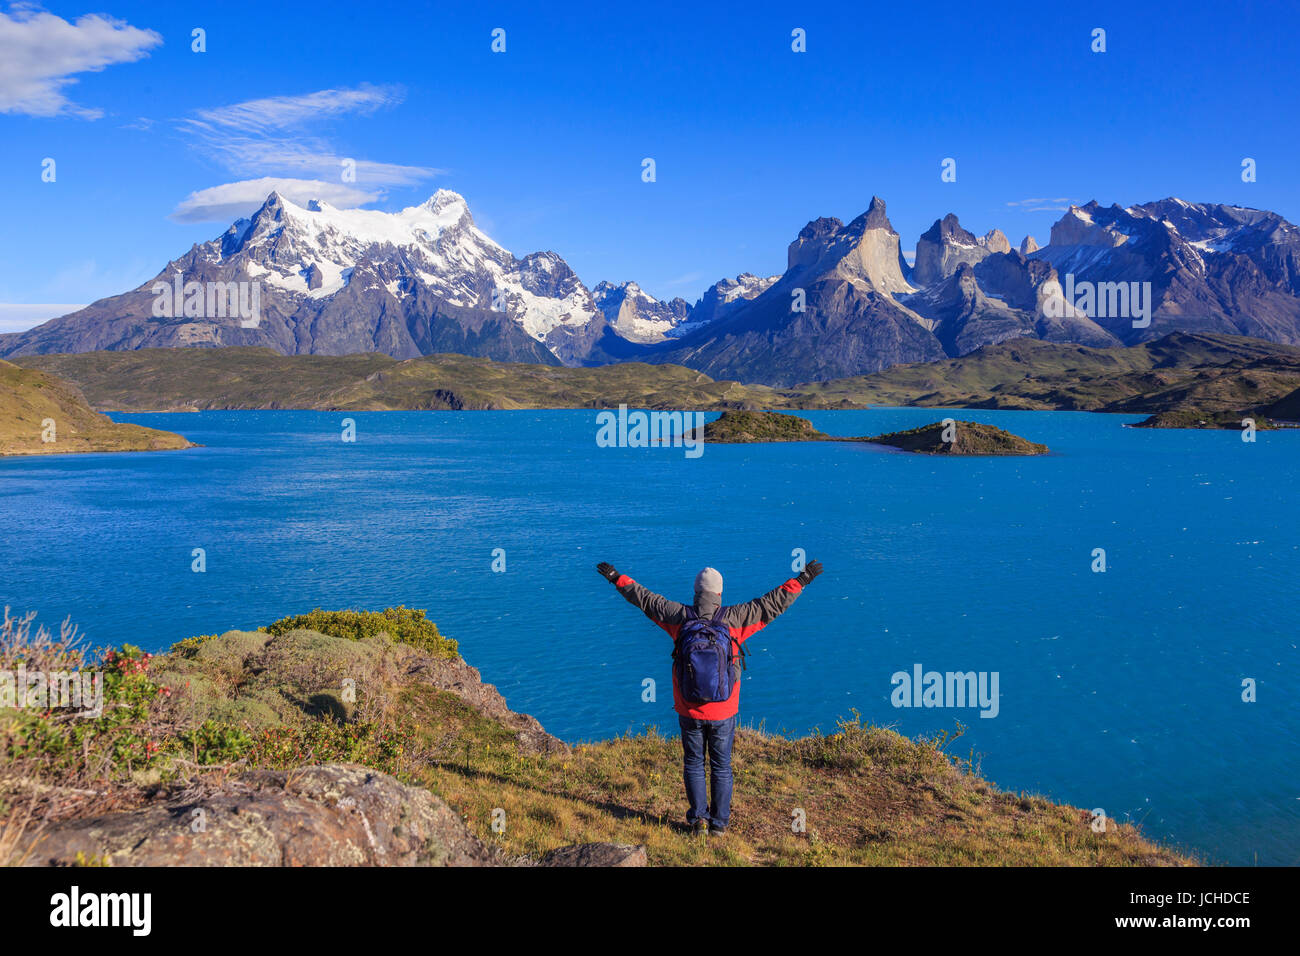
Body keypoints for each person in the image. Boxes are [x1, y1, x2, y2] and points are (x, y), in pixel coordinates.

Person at [596, 559, 823, 835]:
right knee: (721, 766)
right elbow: (772, 604)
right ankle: (719, 825)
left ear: (695, 593)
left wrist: (615, 577)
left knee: (693, 763)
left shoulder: (678, 616)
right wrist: (802, 579)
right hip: (724, 710)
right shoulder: (737, 617)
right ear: (719, 594)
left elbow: (645, 599)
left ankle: (698, 821)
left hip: (688, 707)